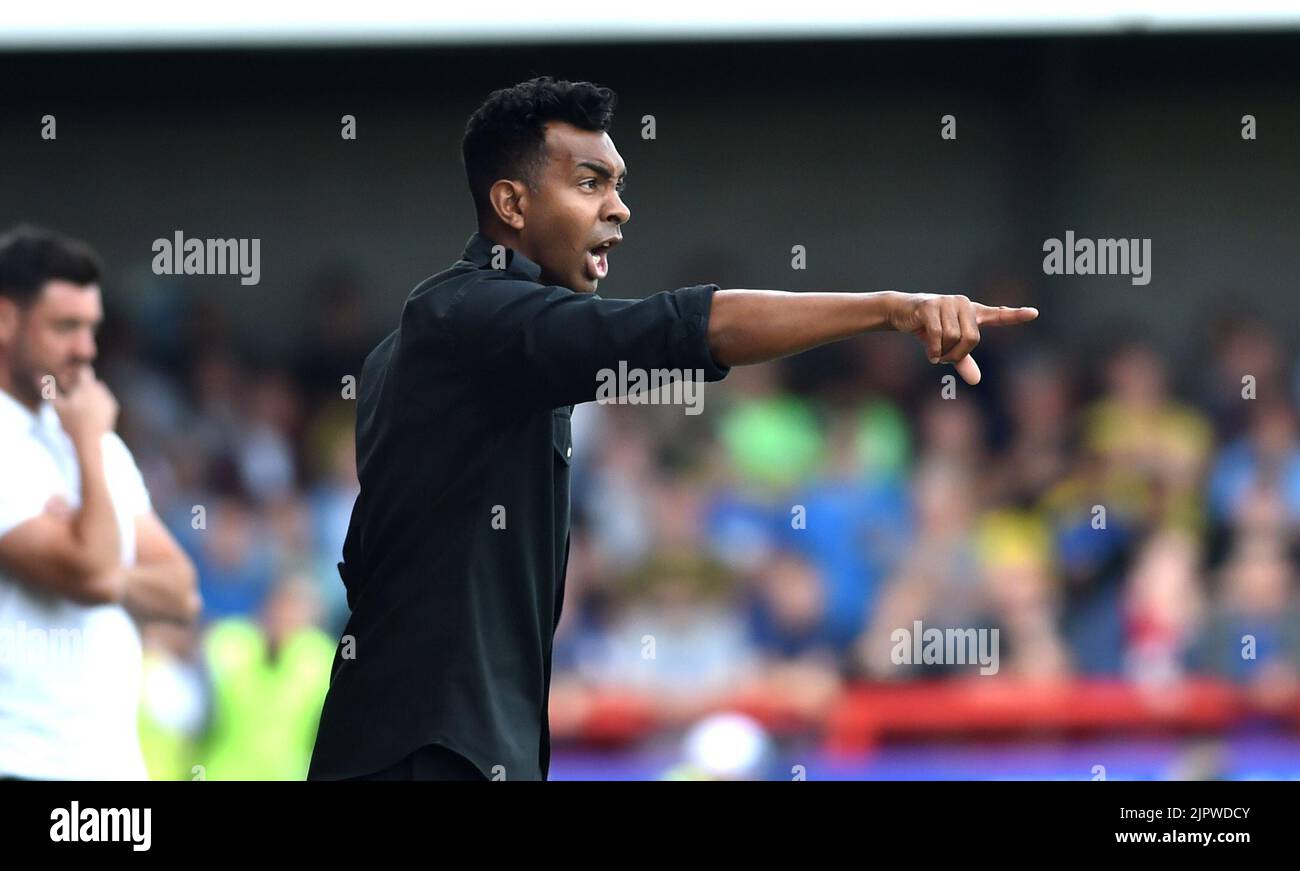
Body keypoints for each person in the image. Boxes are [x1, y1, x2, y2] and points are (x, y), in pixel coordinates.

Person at [307, 76, 1037, 782]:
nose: (619, 209)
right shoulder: (466, 319)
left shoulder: (423, 348)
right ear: (511, 202)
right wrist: (892, 308)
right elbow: (678, 328)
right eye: (591, 182)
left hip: (419, 744)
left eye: (619, 184)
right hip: (427, 751)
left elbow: (369, 560)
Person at [0, 225, 200, 780]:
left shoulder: (95, 435)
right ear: (5, 320)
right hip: (22, 766)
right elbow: (89, 574)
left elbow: (181, 592)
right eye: (66, 327)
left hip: (110, 772)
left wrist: (104, 561)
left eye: (92, 328)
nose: (86, 350)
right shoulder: (90, 434)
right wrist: (89, 444)